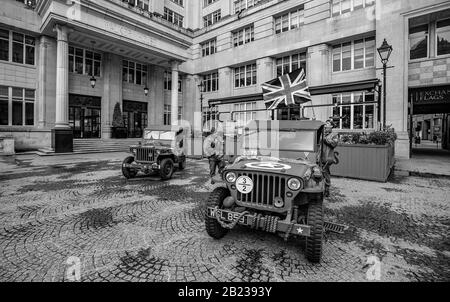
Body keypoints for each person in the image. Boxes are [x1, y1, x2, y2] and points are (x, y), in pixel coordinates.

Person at [321, 118, 339, 197]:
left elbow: (334, 144)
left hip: (327, 157)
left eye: (327, 124)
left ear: (331, 126)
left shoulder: (334, 134)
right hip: (319, 157)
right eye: (325, 124)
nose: (325, 126)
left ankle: (327, 188)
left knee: (326, 172)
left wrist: (325, 139)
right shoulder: (322, 133)